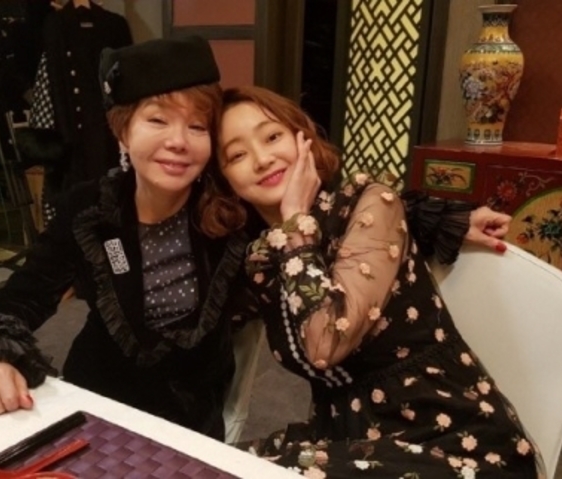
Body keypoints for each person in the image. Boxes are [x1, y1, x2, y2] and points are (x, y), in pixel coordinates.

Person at [0, 35, 510, 442]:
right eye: (157, 120)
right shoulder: (90, 210)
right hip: (96, 406)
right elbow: (25, 292)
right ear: (123, 132)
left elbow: (333, 208)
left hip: (191, 422)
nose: (178, 141)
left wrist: (442, 218)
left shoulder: (229, 211)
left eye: (196, 126)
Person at [201, 85, 543, 477]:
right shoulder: (262, 256)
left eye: (272, 136)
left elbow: (327, 340)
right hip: (349, 438)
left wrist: (295, 222)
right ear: (224, 180)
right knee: (214, 466)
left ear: (303, 138)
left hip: (449, 440)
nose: (262, 159)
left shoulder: (369, 203)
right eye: (237, 155)